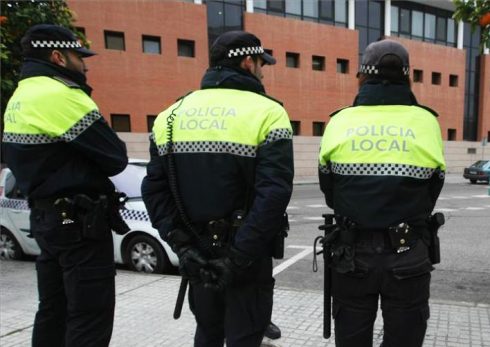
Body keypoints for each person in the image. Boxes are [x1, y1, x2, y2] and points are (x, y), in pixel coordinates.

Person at [142, 30, 294, 347]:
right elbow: (274, 195)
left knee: (208, 332)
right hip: (247, 260)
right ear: (248, 62)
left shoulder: (169, 116)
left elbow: (155, 192)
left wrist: (183, 248)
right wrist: (237, 259)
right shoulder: (268, 112)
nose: (263, 71)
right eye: (261, 64)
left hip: (198, 256)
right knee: (245, 336)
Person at [2, 24, 128, 346]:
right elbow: (115, 156)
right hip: (78, 225)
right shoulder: (60, 94)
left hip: (47, 221)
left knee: (53, 312)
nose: (84, 64)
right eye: (78, 56)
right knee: (89, 316)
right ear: (58, 56)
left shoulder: (20, 95)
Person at [318, 39, 446, 347]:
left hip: (352, 255)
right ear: (407, 76)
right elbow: (433, 188)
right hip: (408, 252)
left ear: (362, 75)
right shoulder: (427, 122)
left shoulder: (339, 121)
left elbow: (329, 191)